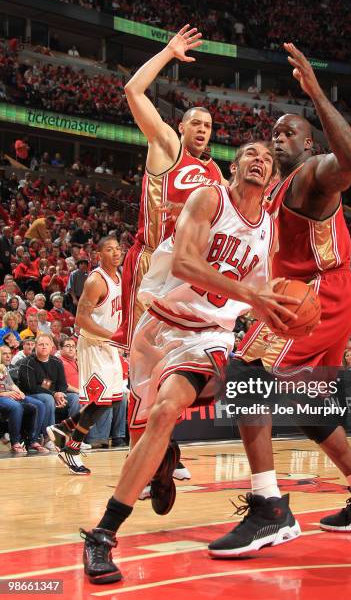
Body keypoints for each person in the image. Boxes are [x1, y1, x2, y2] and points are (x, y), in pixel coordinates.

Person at [80, 141, 300, 584]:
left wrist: (285, 312)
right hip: (157, 328)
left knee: (166, 411)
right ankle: (163, 463)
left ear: (272, 178)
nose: (261, 160)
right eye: (252, 154)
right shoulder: (210, 198)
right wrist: (253, 296)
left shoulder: (268, 229)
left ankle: (102, 535)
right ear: (234, 167)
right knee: (146, 434)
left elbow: (256, 295)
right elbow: (183, 263)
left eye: (269, 160)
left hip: (208, 335)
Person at [209, 43, 351, 558]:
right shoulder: (273, 194)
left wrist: (315, 92)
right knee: (311, 406)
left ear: (310, 142)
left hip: (317, 294)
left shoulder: (312, 175)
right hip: (324, 296)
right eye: (274, 133)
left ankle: (270, 508)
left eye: (288, 132)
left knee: (247, 373)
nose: (277, 137)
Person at [110, 25, 225, 476]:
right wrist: (169, 52)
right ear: (181, 125)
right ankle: (139, 459)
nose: (202, 128)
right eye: (195, 121)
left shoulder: (216, 172)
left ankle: (162, 450)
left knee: (174, 364)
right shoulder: (168, 148)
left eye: (209, 125)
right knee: (144, 365)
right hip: (150, 266)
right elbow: (133, 90)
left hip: (186, 277)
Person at [47, 237, 123, 474]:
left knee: (114, 399)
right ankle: (71, 449)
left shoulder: (119, 277)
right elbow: (81, 320)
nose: (116, 253)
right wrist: (114, 335)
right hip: (93, 345)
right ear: (98, 255)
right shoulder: (95, 280)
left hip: (109, 345)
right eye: (109, 249)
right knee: (100, 402)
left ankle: (64, 427)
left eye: (118, 248)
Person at [17, 333, 80, 450]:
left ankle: (75, 438)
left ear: (52, 347)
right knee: (48, 399)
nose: (44, 347)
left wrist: (60, 394)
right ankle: (49, 438)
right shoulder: (27, 363)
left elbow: (62, 384)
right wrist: (54, 394)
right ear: (35, 346)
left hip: (55, 394)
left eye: (47, 344)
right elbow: (30, 387)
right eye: (41, 344)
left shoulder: (56, 362)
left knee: (76, 398)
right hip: (32, 395)